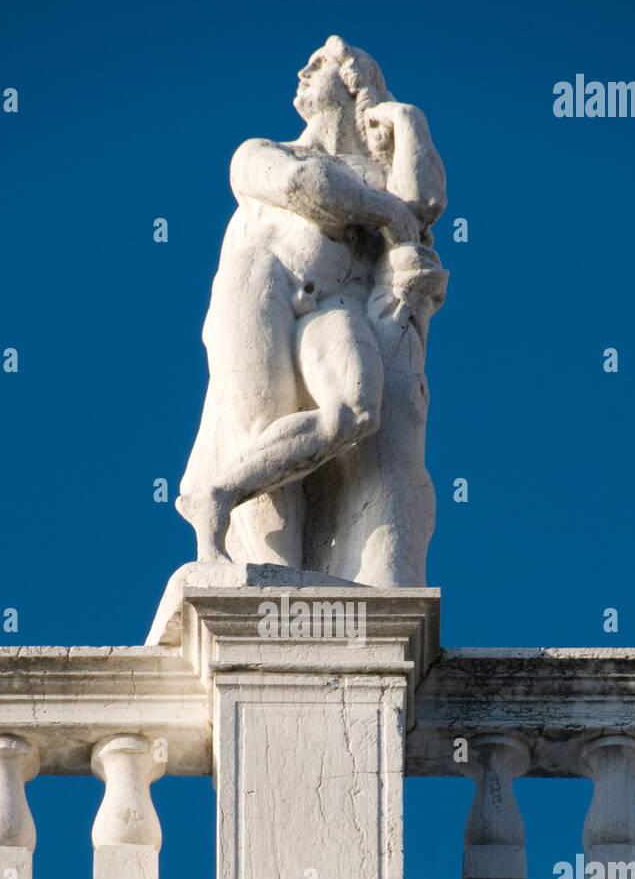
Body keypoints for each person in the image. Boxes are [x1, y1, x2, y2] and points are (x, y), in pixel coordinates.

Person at [177, 36, 446, 584]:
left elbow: (425, 205)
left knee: (356, 410)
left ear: (355, 84)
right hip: (263, 289)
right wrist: (390, 217)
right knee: (263, 435)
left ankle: (219, 492)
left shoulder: (378, 179)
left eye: (320, 63)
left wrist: (408, 119)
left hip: (336, 305)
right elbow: (309, 186)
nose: (302, 69)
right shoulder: (262, 153)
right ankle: (249, 571)